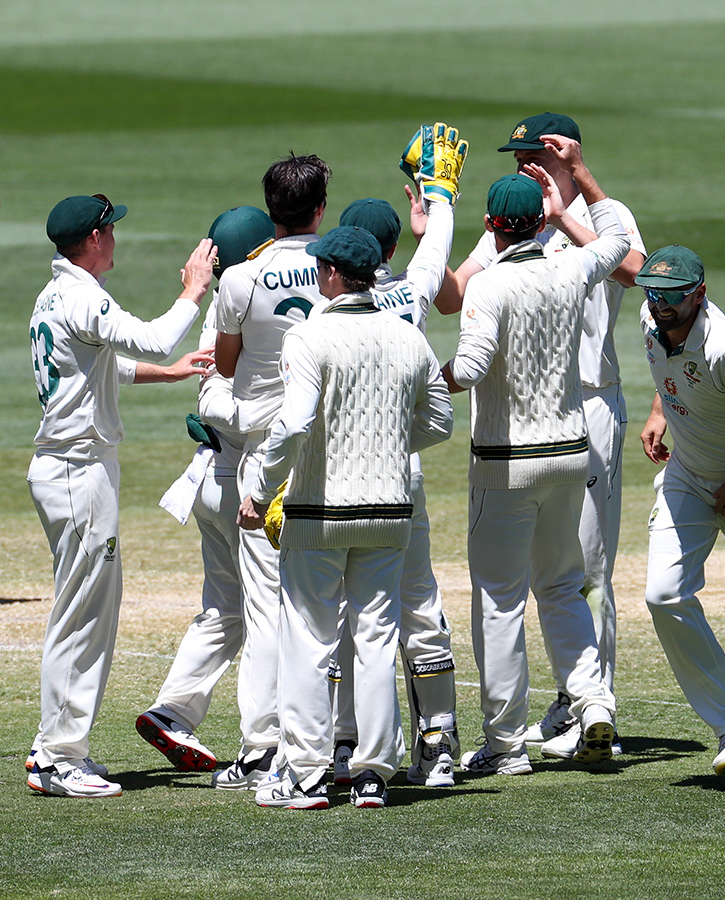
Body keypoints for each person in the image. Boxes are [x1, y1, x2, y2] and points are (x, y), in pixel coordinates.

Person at [437, 113, 645, 756]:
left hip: (586, 407)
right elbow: (450, 296)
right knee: (562, 576)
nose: (522, 164)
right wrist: (431, 234)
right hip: (564, 432)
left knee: (588, 567)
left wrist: (568, 205)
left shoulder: (596, 212)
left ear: (562, 156)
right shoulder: (534, 237)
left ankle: (571, 712)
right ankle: (589, 701)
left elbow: (635, 268)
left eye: (533, 154)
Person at [237, 226, 453, 809]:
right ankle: (372, 776)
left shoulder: (310, 336)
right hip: (388, 513)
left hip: (319, 514)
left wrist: (258, 488)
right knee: (377, 636)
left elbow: (295, 421)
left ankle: (305, 773)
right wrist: (384, 444)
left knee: (309, 637)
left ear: (333, 276)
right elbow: (440, 421)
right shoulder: (407, 336)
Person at [25, 194, 216, 798]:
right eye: (110, 229)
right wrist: (194, 289)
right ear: (92, 240)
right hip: (79, 471)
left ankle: (53, 750)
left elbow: (106, 365)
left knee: (80, 610)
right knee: (84, 617)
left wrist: (175, 373)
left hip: (65, 468)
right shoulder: (82, 294)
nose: (116, 238)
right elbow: (153, 340)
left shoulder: (56, 294)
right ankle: (58, 756)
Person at [327, 125, 463, 789]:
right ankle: (438, 749)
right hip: (401, 473)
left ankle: (348, 746)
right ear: (388, 247)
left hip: (336, 478)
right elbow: (436, 246)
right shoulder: (409, 294)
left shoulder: (327, 306)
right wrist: (437, 195)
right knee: (416, 608)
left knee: (350, 617)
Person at [137, 206, 278, 773]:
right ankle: (265, 745)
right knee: (272, 609)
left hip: (213, 480)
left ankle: (172, 711)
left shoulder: (224, 304)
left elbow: (211, 388)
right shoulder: (282, 298)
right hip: (254, 483)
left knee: (225, 608)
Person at [210, 154, 329, 790]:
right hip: (333, 454)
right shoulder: (344, 266)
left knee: (265, 607)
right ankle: (336, 740)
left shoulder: (242, 279)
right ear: (319, 209)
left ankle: (260, 748)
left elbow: (226, 366)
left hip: (265, 454)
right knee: (329, 601)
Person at [637, 245, 725, 775]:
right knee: (663, 594)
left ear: (699, 294)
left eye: (672, 294)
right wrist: (661, 409)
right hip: (687, 473)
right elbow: (669, 365)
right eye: (652, 291)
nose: (659, 302)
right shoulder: (651, 316)